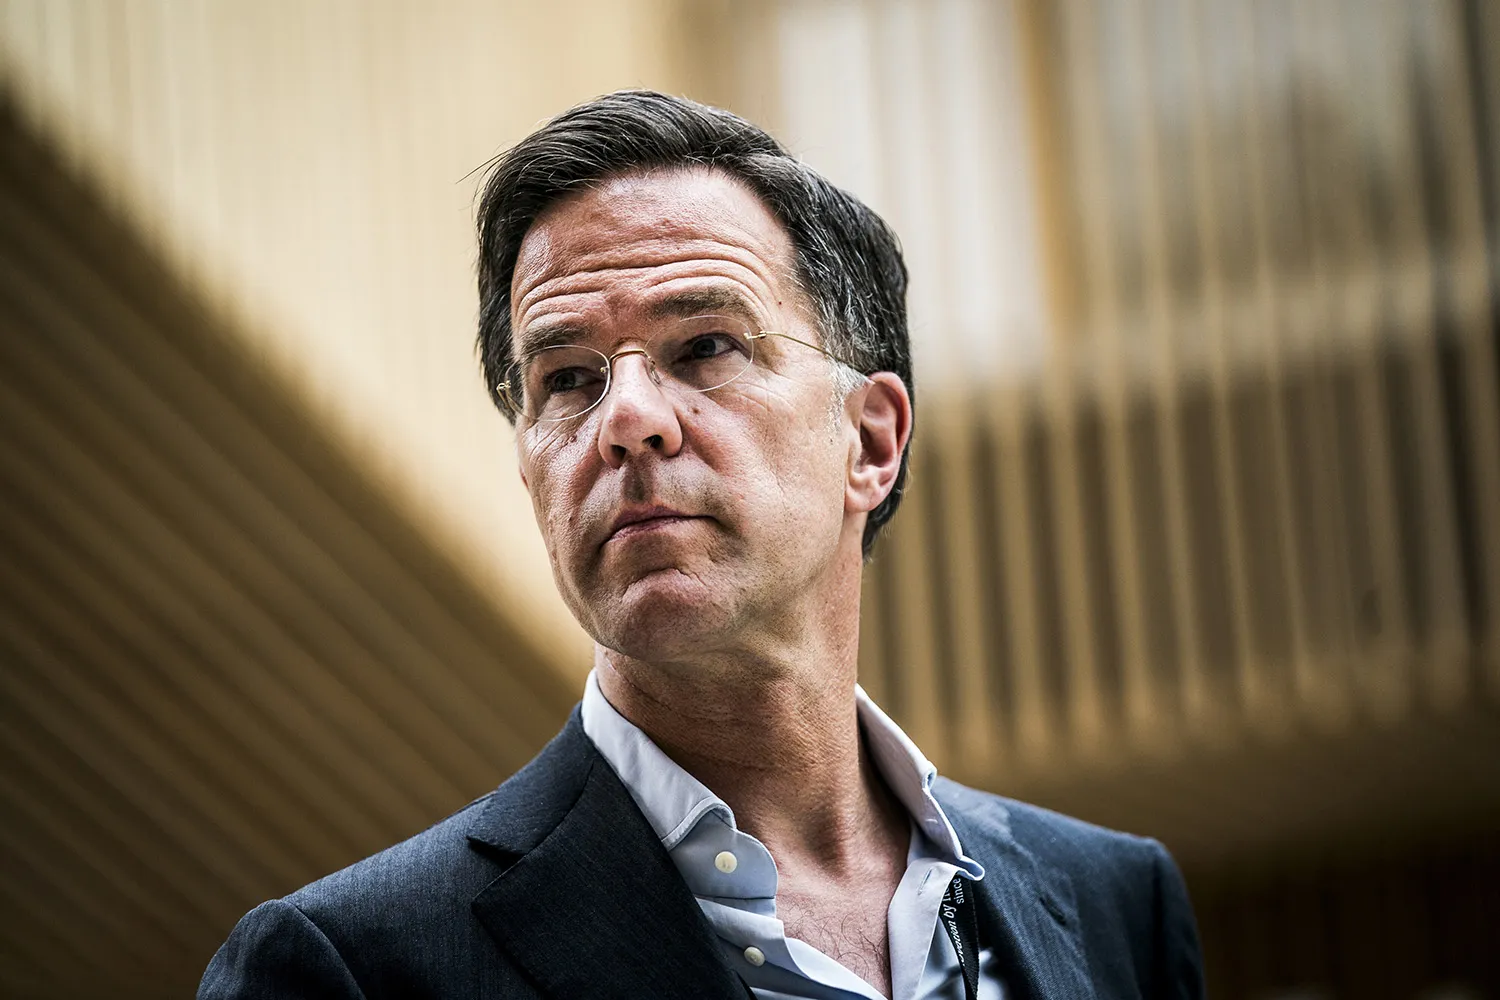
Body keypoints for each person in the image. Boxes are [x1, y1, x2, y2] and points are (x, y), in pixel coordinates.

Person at [199, 90, 1204, 1000]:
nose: (627, 418)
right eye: (567, 379)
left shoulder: (1118, 908)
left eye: (704, 347)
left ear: (872, 439)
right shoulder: (347, 968)